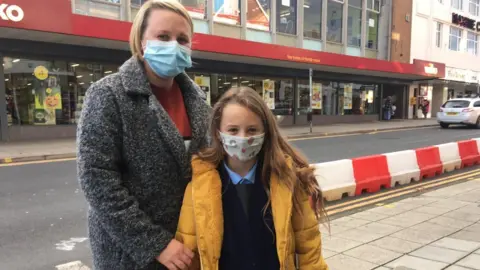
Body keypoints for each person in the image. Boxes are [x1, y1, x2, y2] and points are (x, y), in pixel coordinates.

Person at [76, 1, 210, 269]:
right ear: (140, 40)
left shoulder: (198, 100)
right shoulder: (108, 95)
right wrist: (155, 244)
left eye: (182, 39)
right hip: (130, 255)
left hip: (186, 248)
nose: (173, 45)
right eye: (163, 37)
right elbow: (97, 180)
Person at [175, 87, 329, 270]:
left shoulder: (287, 181)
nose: (243, 138)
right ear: (218, 132)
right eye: (233, 130)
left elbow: (308, 248)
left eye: (252, 130)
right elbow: (189, 251)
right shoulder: (199, 186)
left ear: (265, 132)